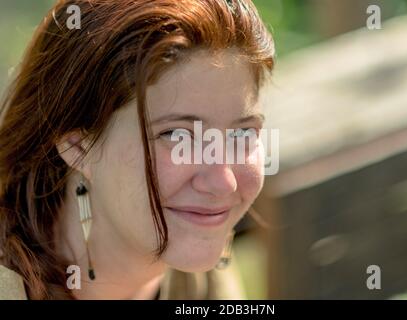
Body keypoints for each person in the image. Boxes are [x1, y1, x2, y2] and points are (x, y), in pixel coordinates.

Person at [0, 0, 274, 299]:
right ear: (77, 147)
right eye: (177, 135)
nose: (224, 183)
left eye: (242, 133)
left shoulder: (198, 266)